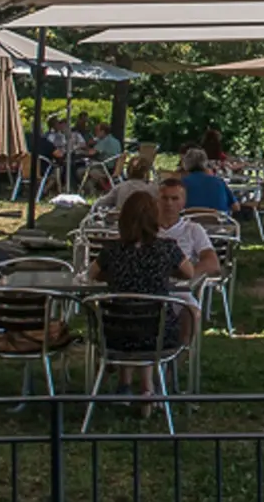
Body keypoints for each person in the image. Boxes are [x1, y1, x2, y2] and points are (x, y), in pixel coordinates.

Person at [89, 192, 193, 415]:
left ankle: (125, 387)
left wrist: (114, 276)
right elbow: (189, 273)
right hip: (158, 336)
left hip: (115, 335)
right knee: (150, 320)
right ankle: (147, 389)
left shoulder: (112, 251)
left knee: (132, 318)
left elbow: (91, 274)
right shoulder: (167, 248)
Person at [155, 178, 221, 278]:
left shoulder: (193, 230)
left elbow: (212, 264)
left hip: (179, 289)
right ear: (156, 201)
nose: (169, 203)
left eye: (175, 198)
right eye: (164, 198)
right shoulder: (144, 228)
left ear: (183, 202)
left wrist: (187, 276)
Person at [178, 149, 242, 216]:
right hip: (218, 224)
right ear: (205, 163)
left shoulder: (180, 185)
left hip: (189, 223)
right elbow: (236, 207)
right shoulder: (219, 182)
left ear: (186, 164)